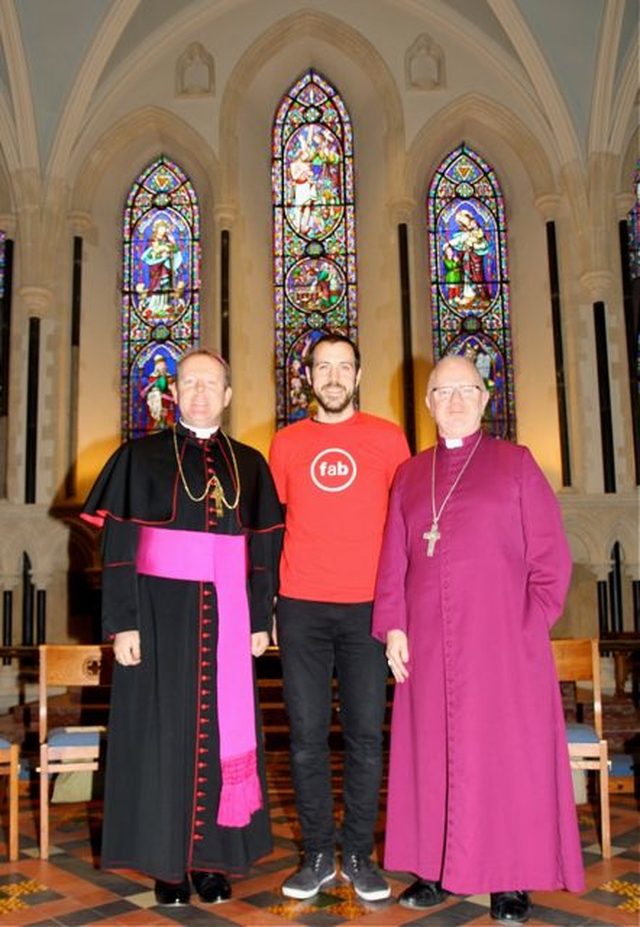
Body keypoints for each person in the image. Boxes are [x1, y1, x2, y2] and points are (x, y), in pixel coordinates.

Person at [372, 354, 584, 923]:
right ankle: (433, 869)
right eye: (443, 391)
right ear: (428, 403)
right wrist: (393, 625)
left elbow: (551, 559)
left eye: (466, 390)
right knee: (431, 756)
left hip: (502, 648)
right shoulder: (411, 474)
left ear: (486, 398)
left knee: (503, 759)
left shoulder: (516, 464)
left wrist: (525, 627)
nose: (455, 401)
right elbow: (394, 560)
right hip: (427, 645)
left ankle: (509, 878)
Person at [81, 348, 283, 907]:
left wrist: (262, 617)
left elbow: (264, 550)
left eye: (210, 383)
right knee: (159, 733)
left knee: (224, 729)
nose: (199, 392)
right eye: (189, 382)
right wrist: (123, 623)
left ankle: (213, 863)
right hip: (156, 613)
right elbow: (118, 547)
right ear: (175, 394)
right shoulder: (138, 456)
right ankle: (167, 865)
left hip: (229, 616)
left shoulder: (250, 463)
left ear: (227, 395)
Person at [269, 333, 411, 902]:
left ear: (358, 375)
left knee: (364, 738)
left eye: (343, 367)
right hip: (301, 605)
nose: (332, 377)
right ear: (307, 376)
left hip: (367, 609)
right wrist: (271, 606)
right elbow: (272, 528)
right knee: (304, 738)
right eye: (322, 367)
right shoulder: (285, 443)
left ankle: (358, 853)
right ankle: (318, 855)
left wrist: (401, 609)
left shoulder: (387, 438)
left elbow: (402, 530)